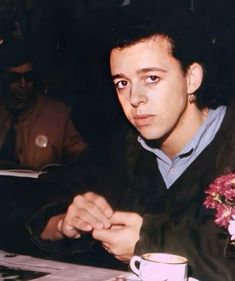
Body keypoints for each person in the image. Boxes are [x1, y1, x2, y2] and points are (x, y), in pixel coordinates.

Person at [26, 7, 235, 281]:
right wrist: (65, 223)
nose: (135, 98)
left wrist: (147, 240)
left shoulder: (228, 142)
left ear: (191, 78)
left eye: (151, 78)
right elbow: (39, 201)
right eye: (122, 83)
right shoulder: (122, 150)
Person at [0, 43, 86, 170]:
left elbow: (81, 158)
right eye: (15, 78)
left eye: (28, 77)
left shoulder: (57, 115)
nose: (23, 84)